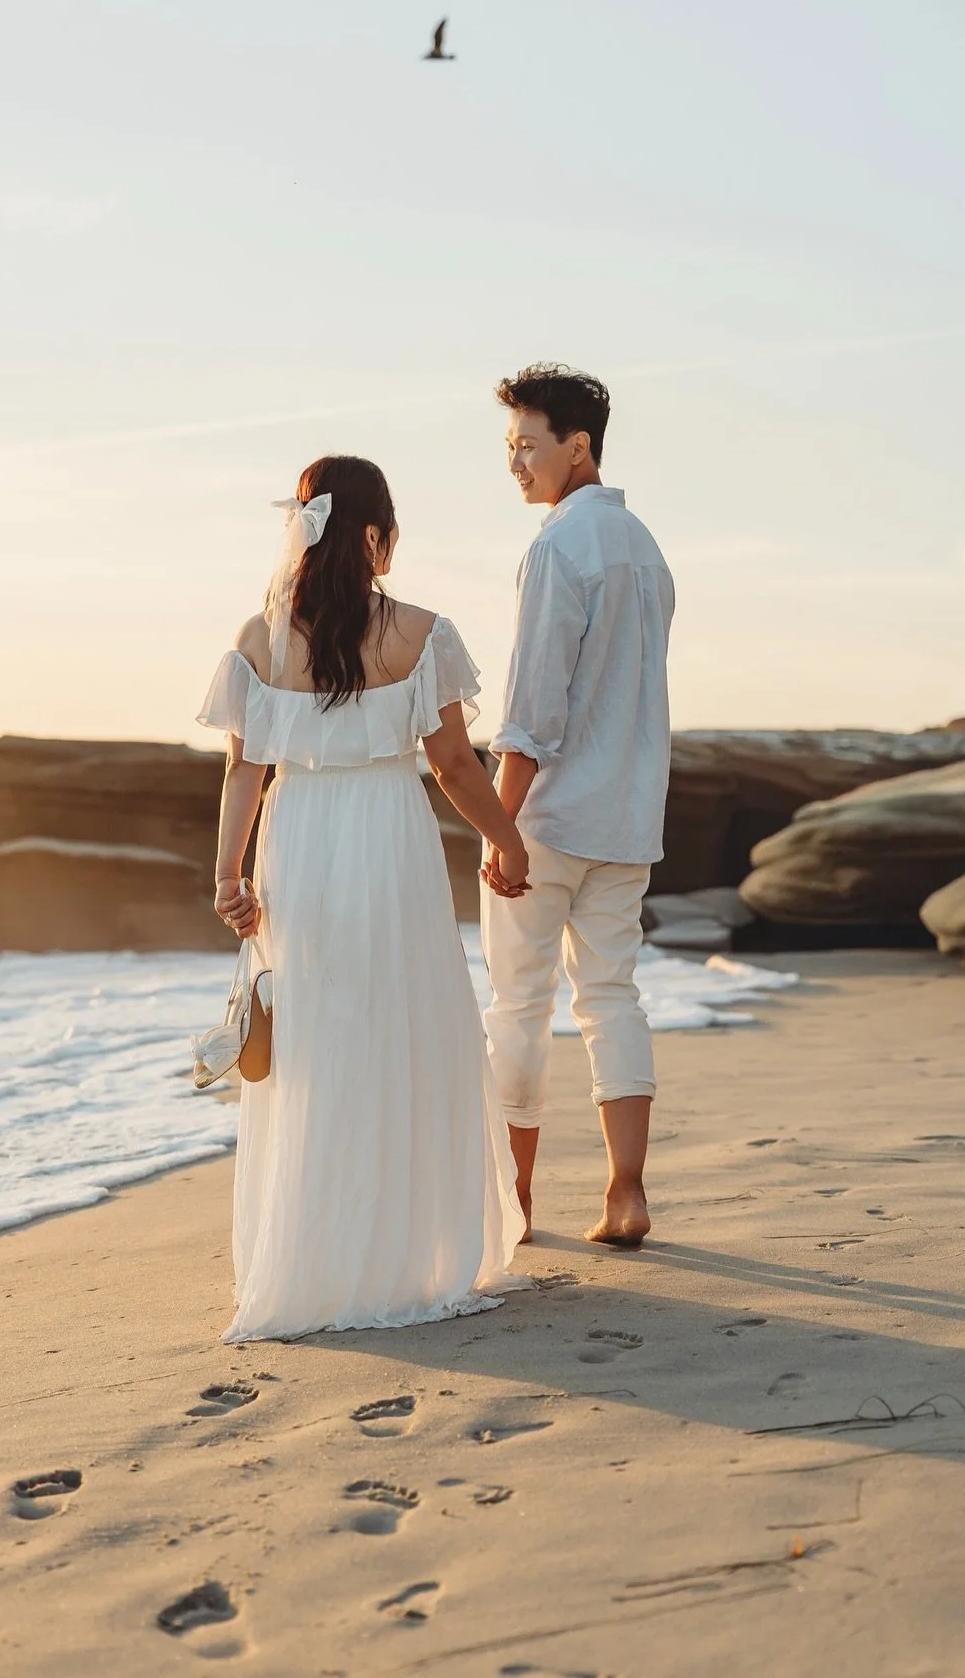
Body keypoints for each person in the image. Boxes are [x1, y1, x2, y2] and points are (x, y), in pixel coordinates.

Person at [197, 455, 529, 1342]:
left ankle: (315, 1262)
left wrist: (229, 876)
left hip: (297, 846)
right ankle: (408, 1253)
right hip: (389, 838)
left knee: (315, 1045)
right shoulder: (422, 632)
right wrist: (506, 838)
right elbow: (456, 767)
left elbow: (244, 769)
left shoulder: (260, 638)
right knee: (403, 1030)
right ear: (379, 535)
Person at [481, 364, 675, 1248]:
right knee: (611, 997)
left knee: (519, 1003)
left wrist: (497, 825)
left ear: (579, 445)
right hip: (629, 815)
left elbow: (533, 705)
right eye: (509, 446)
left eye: (528, 444)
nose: (515, 462)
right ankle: (625, 1193)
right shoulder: (646, 548)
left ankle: (515, 1200)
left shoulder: (559, 549)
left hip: (549, 820)